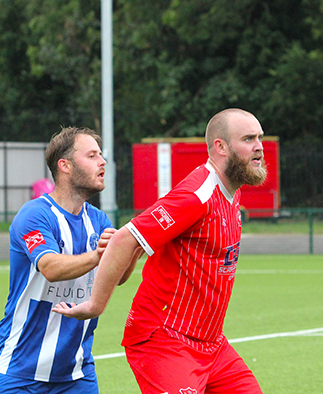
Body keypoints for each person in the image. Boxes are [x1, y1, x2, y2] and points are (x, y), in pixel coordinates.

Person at [53, 108, 266, 394]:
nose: (259, 146)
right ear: (221, 147)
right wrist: (94, 305)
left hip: (212, 344)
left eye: (260, 138)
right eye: (249, 139)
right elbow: (125, 239)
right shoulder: (197, 195)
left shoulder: (232, 191)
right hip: (164, 339)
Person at [0, 127, 136, 393]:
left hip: (77, 373)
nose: (102, 161)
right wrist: (99, 255)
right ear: (65, 166)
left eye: (101, 155)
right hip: (20, 371)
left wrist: (132, 249)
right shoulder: (34, 214)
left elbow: (117, 278)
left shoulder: (99, 220)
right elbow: (50, 267)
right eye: (92, 155)